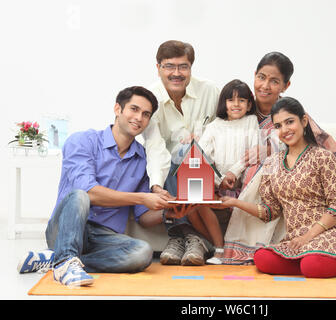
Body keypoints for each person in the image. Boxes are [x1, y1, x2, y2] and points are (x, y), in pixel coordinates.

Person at [221, 97, 336, 278]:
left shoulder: (323, 157)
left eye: (290, 122)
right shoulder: (271, 162)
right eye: (278, 126)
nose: (285, 130)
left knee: (312, 266)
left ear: (304, 121)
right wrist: (235, 203)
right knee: (262, 258)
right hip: (295, 240)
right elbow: (270, 211)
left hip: (325, 235)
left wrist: (308, 237)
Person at [17, 86, 174, 286]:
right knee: (80, 195)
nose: (139, 118)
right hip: (66, 227)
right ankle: (65, 259)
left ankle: (58, 261)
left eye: (146, 114)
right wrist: (143, 197)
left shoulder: (142, 159)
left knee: (143, 253)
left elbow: (142, 216)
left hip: (103, 236)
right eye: (133, 109)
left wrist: (168, 212)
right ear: (118, 109)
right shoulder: (82, 141)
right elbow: (89, 193)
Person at [222, 52, 336, 265]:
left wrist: (270, 152)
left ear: (286, 85)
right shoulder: (240, 107)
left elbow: (322, 150)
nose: (265, 86)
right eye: (261, 77)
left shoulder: (290, 114)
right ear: (254, 75)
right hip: (239, 180)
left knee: (269, 166)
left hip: (289, 184)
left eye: (274, 81)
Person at [141, 40, 220, 266]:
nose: (176, 73)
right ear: (158, 68)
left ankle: (183, 235)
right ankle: (187, 236)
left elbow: (226, 126)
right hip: (169, 171)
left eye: (183, 67)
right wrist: (156, 185)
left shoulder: (210, 91)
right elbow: (154, 146)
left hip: (207, 164)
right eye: (169, 66)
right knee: (177, 153)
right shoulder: (150, 97)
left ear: (191, 68)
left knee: (187, 151)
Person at [187, 79, 259, 264]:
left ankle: (226, 249)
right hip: (219, 185)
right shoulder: (214, 126)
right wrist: (219, 181)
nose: (236, 104)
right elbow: (202, 156)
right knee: (194, 201)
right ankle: (219, 247)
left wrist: (234, 173)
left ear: (249, 104)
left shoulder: (250, 122)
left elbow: (253, 151)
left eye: (242, 100)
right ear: (223, 103)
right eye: (231, 100)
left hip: (242, 185)